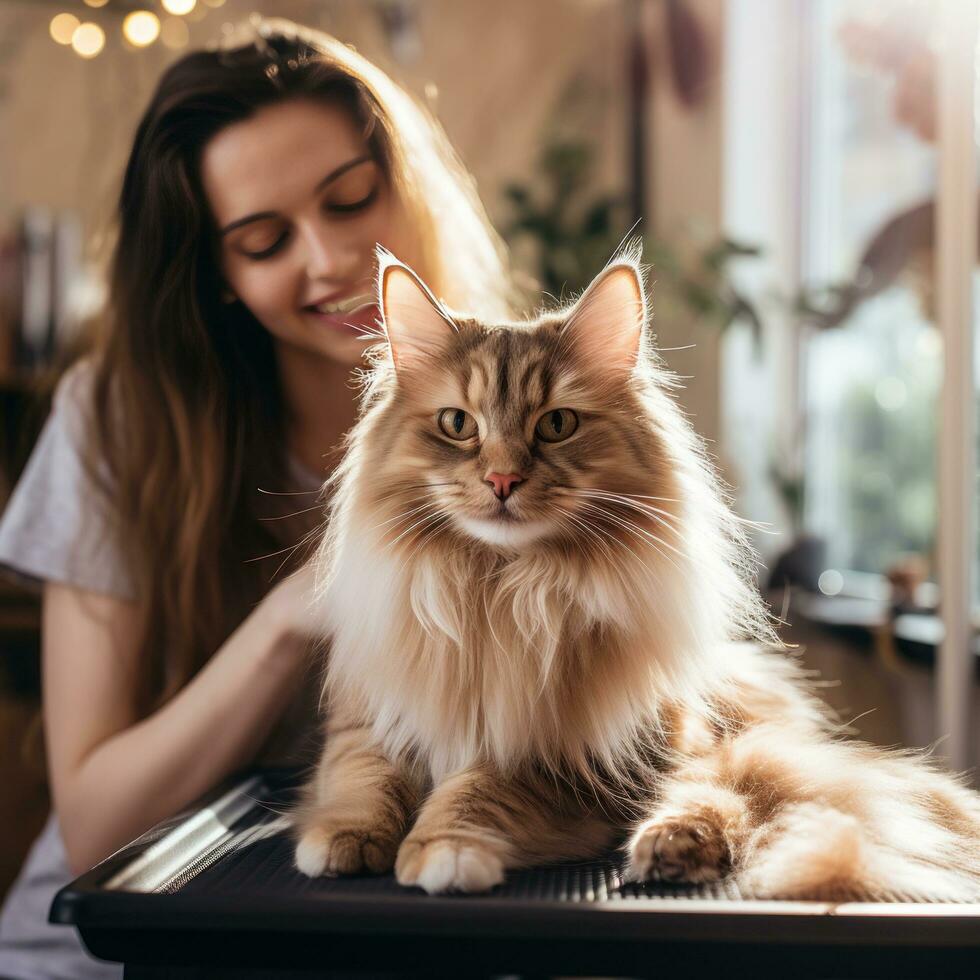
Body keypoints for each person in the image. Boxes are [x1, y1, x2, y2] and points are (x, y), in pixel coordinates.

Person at [0, 17, 518, 979]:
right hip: (110, 955)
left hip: (363, 938)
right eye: (264, 240)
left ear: (408, 187)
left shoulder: (511, 423)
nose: (328, 261)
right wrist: (294, 615)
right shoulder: (117, 424)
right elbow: (94, 831)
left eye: (352, 199)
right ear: (219, 277)